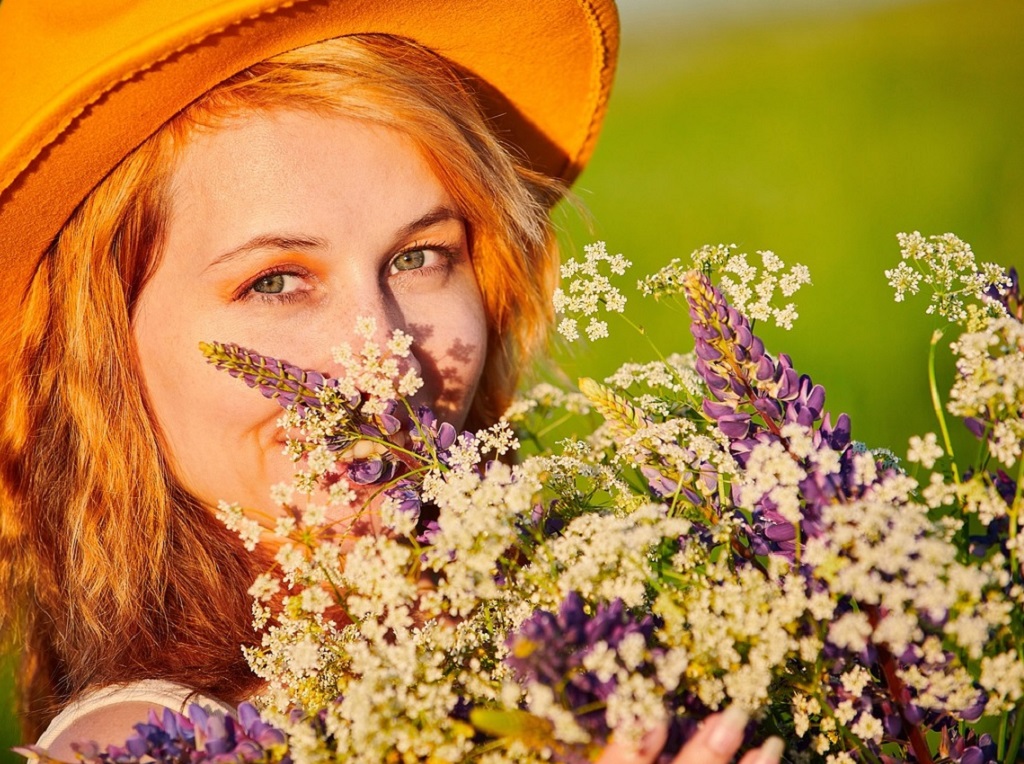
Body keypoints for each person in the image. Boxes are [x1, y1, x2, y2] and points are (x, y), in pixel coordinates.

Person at [0, 2, 783, 762]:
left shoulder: (588, 638)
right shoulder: (152, 746)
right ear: (100, 346)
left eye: (419, 257)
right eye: (275, 282)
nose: (381, 357)